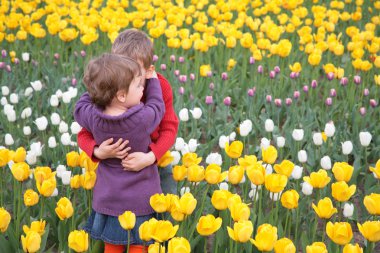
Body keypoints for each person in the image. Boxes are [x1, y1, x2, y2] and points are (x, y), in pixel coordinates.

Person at [74, 53, 165, 253]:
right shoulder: (141, 119)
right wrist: (154, 80)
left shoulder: (93, 118)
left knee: (112, 245)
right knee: (138, 245)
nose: (143, 88)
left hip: (109, 198)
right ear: (122, 95)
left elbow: (79, 108)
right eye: (139, 85)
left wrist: (96, 88)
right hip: (140, 197)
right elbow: (158, 106)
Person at [77, 29, 179, 197]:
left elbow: (169, 128)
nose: (126, 76)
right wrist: (97, 152)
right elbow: (85, 132)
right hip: (114, 161)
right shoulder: (110, 88)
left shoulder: (161, 87)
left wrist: (151, 157)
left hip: (153, 156)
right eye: (121, 68)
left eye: (134, 70)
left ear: (148, 70)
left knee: (165, 200)